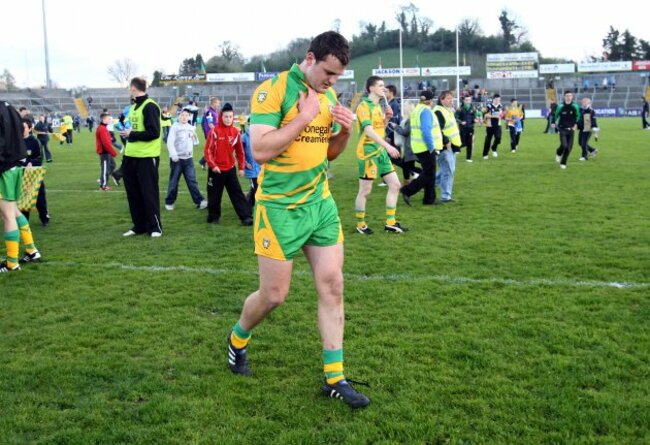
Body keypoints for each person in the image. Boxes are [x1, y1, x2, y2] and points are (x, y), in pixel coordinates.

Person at [226, 31, 371, 409]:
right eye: (328, 73)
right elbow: (260, 150)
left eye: (338, 76)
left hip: (319, 204)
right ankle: (238, 339)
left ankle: (335, 377)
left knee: (333, 285)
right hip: (279, 209)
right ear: (310, 59)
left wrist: (344, 132)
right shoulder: (272, 91)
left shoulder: (329, 97)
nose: (332, 82)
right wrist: (304, 117)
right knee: (274, 296)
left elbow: (328, 154)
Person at [354, 76, 405, 234]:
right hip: (368, 153)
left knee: (395, 185)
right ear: (371, 88)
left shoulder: (377, 106)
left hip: (380, 151)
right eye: (380, 85)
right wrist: (388, 146)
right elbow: (368, 131)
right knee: (365, 190)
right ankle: (360, 224)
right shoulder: (363, 106)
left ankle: (390, 223)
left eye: (384, 86)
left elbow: (379, 129)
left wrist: (386, 118)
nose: (384, 88)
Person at [0, 101, 42, 272]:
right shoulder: (9, 107)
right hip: (14, 166)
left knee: (8, 215)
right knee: (14, 212)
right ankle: (31, 250)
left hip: (4, 168)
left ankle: (12, 263)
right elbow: (20, 131)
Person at [119, 77, 163, 237]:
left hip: (147, 157)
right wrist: (126, 133)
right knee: (133, 193)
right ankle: (139, 225)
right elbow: (132, 129)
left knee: (148, 193)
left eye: (129, 87)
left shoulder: (150, 106)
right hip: (130, 156)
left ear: (133, 88)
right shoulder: (133, 107)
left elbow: (154, 132)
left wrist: (132, 134)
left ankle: (155, 227)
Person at [203, 103, 252, 225]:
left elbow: (240, 151)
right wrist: (213, 165)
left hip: (230, 169)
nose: (228, 119)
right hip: (216, 170)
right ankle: (214, 217)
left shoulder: (235, 132)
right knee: (214, 195)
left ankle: (246, 216)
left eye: (230, 117)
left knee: (237, 193)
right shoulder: (214, 131)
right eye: (226, 117)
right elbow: (208, 151)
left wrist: (241, 167)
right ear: (221, 116)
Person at [398, 90, 440, 206]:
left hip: (417, 146)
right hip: (426, 147)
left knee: (430, 173)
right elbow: (426, 131)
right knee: (428, 173)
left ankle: (429, 199)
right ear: (431, 100)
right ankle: (407, 190)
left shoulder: (417, 110)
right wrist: (431, 147)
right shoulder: (426, 111)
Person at [164, 109, 207, 211]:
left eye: (186, 115)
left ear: (189, 117)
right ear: (179, 116)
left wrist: (194, 136)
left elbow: (195, 142)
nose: (184, 117)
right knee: (174, 182)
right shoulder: (175, 127)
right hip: (177, 160)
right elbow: (170, 142)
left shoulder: (190, 127)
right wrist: (173, 155)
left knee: (192, 181)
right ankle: (169, 202)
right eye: (182, 115)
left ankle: (199, 201)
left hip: (188, 159)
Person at [20, 118, 50, 226]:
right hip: (22, 175)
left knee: (39, 198)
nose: (21, 129)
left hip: (34, 174)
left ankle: (44, 217)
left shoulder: (35, 142)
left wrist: (31, 162)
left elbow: (39, 158)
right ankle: (24, 221)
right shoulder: (16, 142)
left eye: (23, 127)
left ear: (29, 129)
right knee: (24, 198)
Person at [433, 91, 461, 203]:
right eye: (448, 98)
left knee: (448, 170)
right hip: (445, 146)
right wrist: (446, 141)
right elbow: (437, 129)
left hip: (452, 145)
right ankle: (445, 197)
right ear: (441, 99)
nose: (451, 100)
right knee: (448, 171)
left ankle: (428, 184)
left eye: (451, 98)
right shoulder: (438, 111)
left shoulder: (447, 110)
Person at [552, 90, 581, 170]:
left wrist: (576, 124)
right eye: (567, 96)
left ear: (572, 97)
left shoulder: (575, 106)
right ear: (564, 97)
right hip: (562, 129)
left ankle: (563, 162)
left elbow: (578, 116)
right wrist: (553, 122)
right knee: (564, 145)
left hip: (571, 129)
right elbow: (555, 115)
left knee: (569, 148)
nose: (568, 97)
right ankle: (558, 153)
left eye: (570, 96)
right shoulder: (560, 106)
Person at [96, 113, 119, 191]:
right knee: (105, 169)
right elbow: (105, 143)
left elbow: (107, 141)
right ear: (104, 119)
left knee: (112, 165)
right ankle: (103, 186)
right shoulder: (102, 129)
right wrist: (113, 152)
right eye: (108, 119)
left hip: (106, 152)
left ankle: (102, 179)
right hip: (104, 152)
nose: (110, 120)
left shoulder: (103, 128)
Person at [241, 118, 260, 207]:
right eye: (250, 124)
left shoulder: (259, 136)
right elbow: (240, 153)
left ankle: (249, 202)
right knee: (255, 187)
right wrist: (245, 163)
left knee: (258, 187)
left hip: (260, 167)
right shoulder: (243, 138)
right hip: (251, 168)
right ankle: (249, 205)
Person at [199, 97, 221, 169]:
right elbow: (210, 124)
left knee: (214, 149)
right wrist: (216, 132)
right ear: (214, 103)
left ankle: (204, 161)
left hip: (213, 133)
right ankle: (205, 161)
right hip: (211, 134)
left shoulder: (213, 112)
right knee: (214, 149)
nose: (218, 104)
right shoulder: (209, 112)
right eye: (218, 103)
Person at [455, 95, 477, 162]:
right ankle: (456, 148)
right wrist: (461, 122)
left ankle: (468, 158)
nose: (468, 101)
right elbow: (455, 117)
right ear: (464, 100)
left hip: (470, 128)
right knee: (463, 142)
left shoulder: (473, 108)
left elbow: (474, 117)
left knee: (469, 143)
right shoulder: (460, 108)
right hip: (463, 128)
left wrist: (475, 120)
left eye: (469, 100)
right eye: (466, 100)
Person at [482, 94, 503, 159]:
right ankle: (485, 154)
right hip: (489, 125)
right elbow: (485, 115)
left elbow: (501, 114)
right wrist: (494, 116)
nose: (497, 101)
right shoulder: (489, 106)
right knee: (488, 140)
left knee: (498, 138)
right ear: (493, 99)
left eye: (499, 100)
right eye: (496, 100)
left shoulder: (500, 106)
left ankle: (494, 148)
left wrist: (502, 115)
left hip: (498, 125)